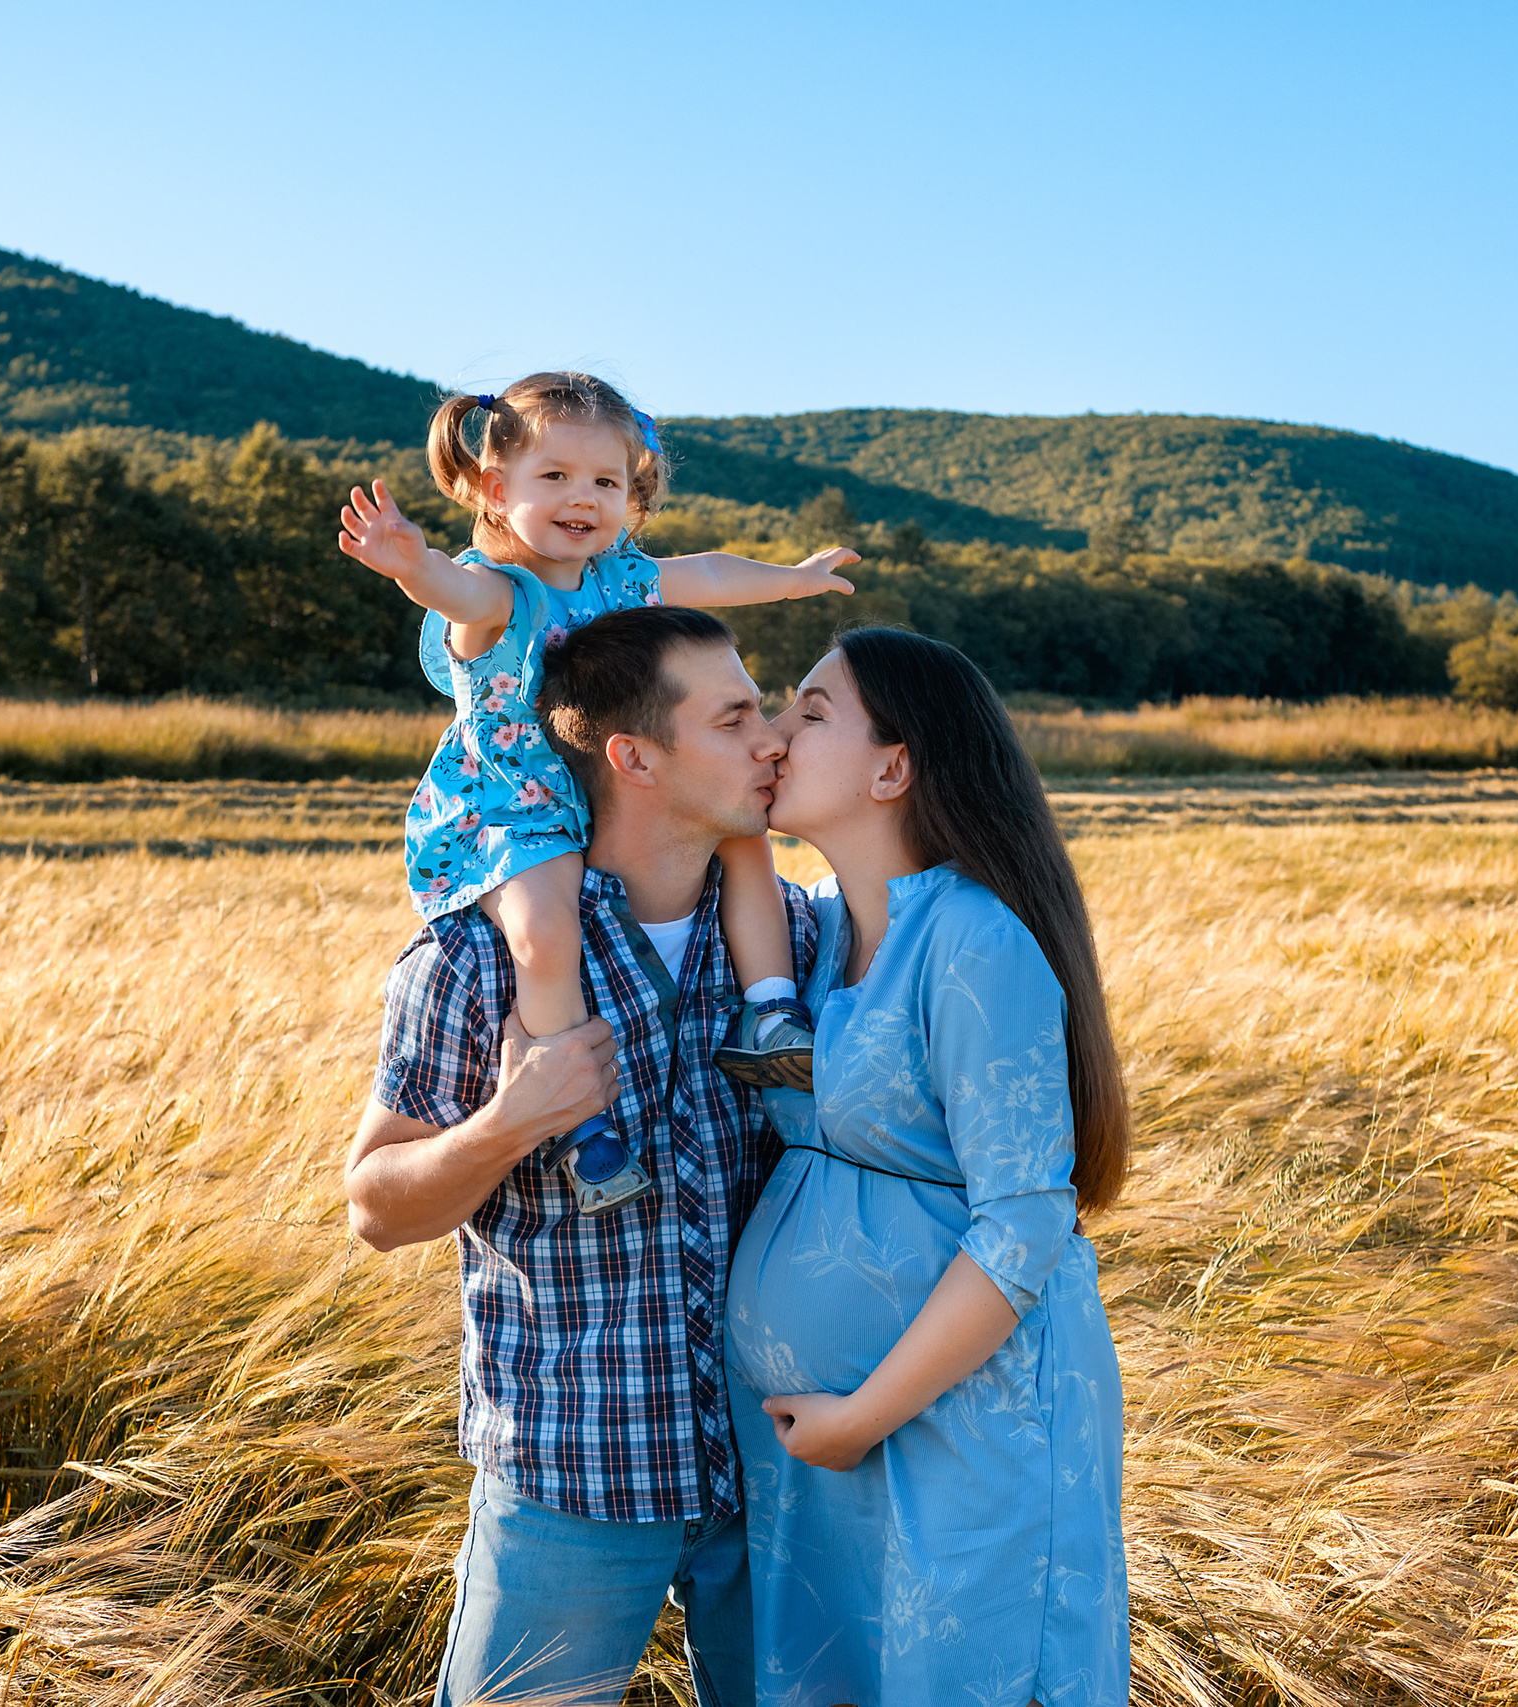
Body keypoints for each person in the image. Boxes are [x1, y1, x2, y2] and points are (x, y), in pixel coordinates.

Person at [344, 606, 815, 1707]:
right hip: (573, 1481)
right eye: (736, 716)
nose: (772, 739)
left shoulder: (793, 938)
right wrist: (512, 1120)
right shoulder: (473, 958)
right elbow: (375, 1205)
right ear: (634, 756)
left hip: (787, 1472)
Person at [724, 626, 1133, 1707]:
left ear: (892, 767)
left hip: (958, 1422)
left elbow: (1024, 1224)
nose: (774, 733)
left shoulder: (971, 939)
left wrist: (864, 1415)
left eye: (808, 714)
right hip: (818, 1451)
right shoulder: (808, 934)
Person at [337, 372, 854, 1201]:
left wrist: (795, 578)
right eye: (556, 479)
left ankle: (771, 1012)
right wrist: (411, 566)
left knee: (745, 837)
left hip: (608, 784)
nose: (584, 499)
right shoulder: (504, 594)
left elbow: (712, 576)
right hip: (516, 802)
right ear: (498, 493)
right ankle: (580, 1124)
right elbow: (455, 591)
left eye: (606, 482)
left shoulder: (619, 577)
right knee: (545, 930)